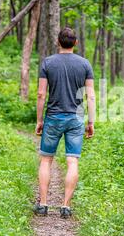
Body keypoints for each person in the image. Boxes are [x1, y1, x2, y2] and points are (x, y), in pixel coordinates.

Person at [33, 27, 95, 219]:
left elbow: (41, 94)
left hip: (53, 117)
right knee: (72, 161)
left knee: (46, 160)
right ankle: (66, 207)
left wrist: (39, 120)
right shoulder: (85, 64)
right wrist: (91, 121)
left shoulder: (48, 63)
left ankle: (43, 204)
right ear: (75, 43)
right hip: (76, 118)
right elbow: (90, 96)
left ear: (58, 42)